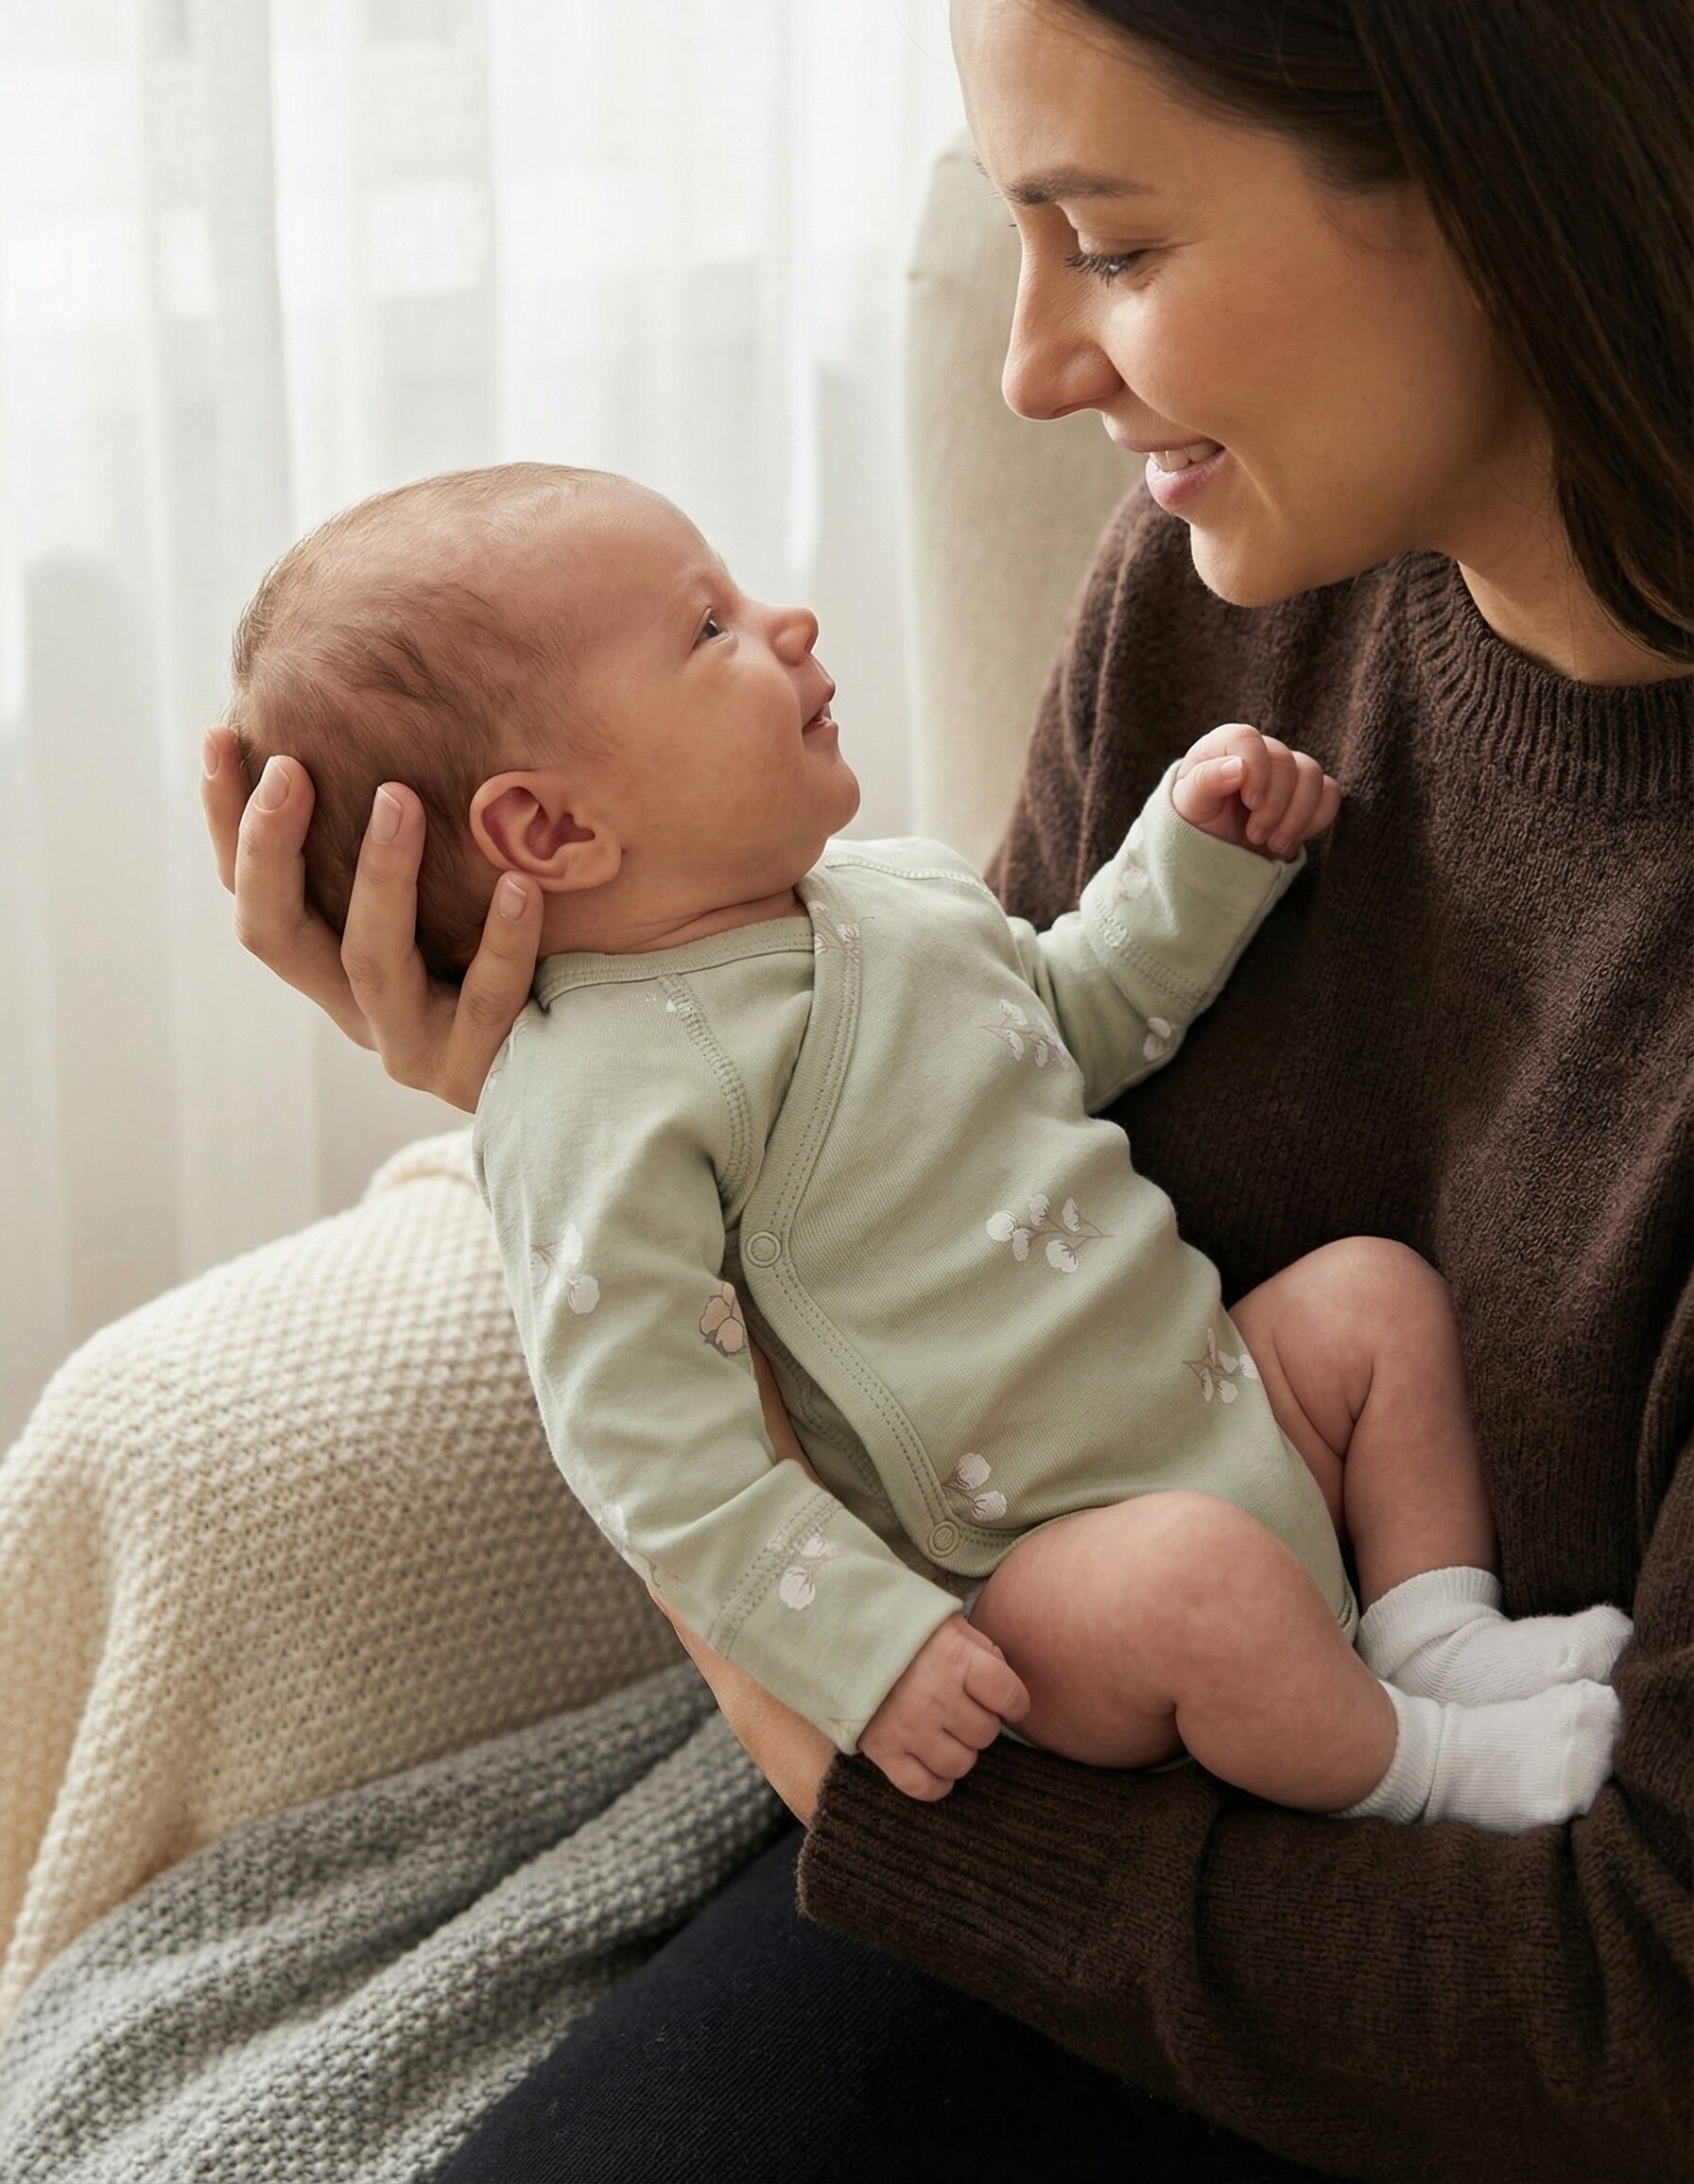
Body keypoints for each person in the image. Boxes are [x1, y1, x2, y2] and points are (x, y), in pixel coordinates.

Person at [201, 0, 1691, 2177]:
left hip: (1440, 1984)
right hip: (1049, 1765)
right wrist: (572, 1079)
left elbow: (1623, 2010)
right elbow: (984, 1091)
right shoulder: (1219, 589)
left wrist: (829, 1747)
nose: (1023, 373)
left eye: (1102, 240)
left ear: (1492, 178)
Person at [228, 461, 1626, 1832]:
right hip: (1031, 1577)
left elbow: (1069, 1024)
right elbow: (649, 1443)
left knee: (1372, 1300)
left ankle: (1433, 1632)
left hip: (1214, 1404)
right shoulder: (592, 1095)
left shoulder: (893, 894)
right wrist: (867, 1648)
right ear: (552, 825)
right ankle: (1426, 1766)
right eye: (708, 627)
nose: (791, 626)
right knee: (1205, 1581)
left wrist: (1193, 860)